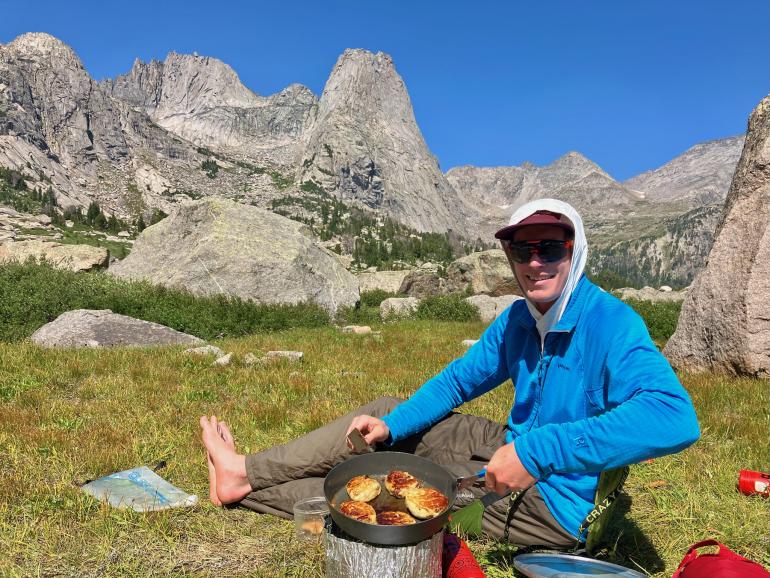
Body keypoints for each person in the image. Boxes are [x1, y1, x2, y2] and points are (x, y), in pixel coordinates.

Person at [201, 198, 700, 548]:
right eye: (521, 250)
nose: (534, 262)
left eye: (550, 247)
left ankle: (248, 492)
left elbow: (674, 419)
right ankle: (244, 471)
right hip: (512, 444)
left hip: (557, 503)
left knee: (404, 497)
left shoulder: (611, 324)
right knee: (383, 417)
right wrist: (396, 428)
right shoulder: (519, 320)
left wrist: (536, 451)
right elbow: (460, 381)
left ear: (576, 251)